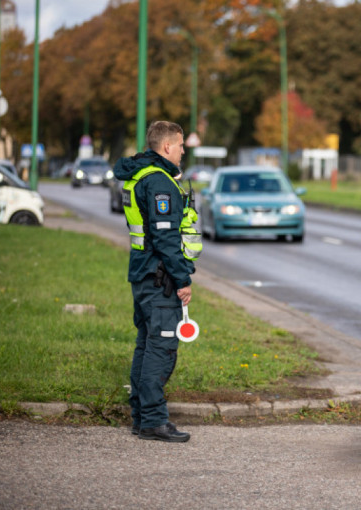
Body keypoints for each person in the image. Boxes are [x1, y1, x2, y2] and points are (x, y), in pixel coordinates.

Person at [113, 120, 202, 442]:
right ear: (167, 147)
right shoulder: (159, 183)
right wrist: (183, 279)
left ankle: (141, 417)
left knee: (146, 346)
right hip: (159, 278)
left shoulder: (140, 175)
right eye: (180, 146)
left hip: (143, 274)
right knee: (161, 350)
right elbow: (165, 238)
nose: (182, 151)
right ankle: (153, 420)